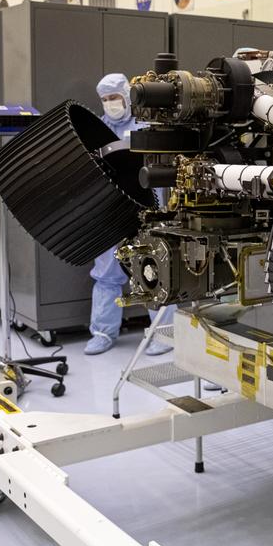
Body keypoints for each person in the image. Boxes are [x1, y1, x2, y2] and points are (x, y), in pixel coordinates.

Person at [84, 73, 174, 356]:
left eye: (115, 98)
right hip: (110, 211)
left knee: (151, 270)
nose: (111, 104)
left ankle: (164, 334)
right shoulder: (97, 128)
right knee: (107, 272)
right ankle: (102, 332)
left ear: (127, 96)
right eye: (106, 99)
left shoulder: (146, 125)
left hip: (145, 210)